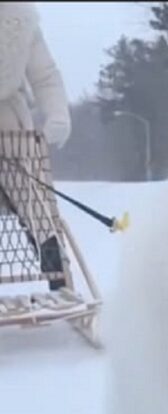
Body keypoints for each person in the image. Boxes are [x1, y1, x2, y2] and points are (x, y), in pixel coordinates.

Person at [0, 2, 72, 291]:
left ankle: (59, 279)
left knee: (36, 208)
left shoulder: (20, 20)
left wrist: (57, 115)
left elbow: (45, 75)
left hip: (11, 130)